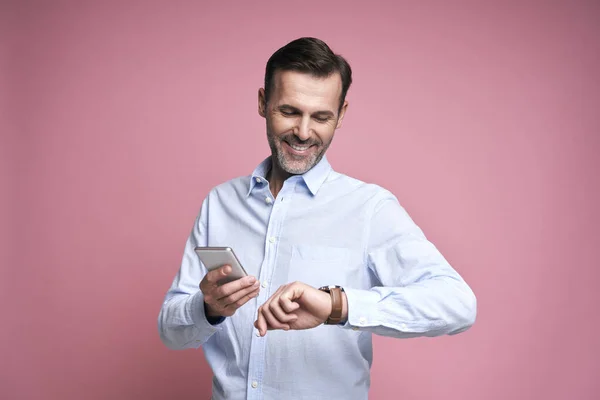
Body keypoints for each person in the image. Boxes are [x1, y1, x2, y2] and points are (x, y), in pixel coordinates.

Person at [158, 37, 477, 400]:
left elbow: (457, 304)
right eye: (290, 111)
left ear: (341, 115)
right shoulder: (219, 203)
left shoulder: (370, 208)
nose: (304, 132)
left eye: (321, 116)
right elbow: (170, 331)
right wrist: (207, 308)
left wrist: (336, 306)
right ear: (263, 103)